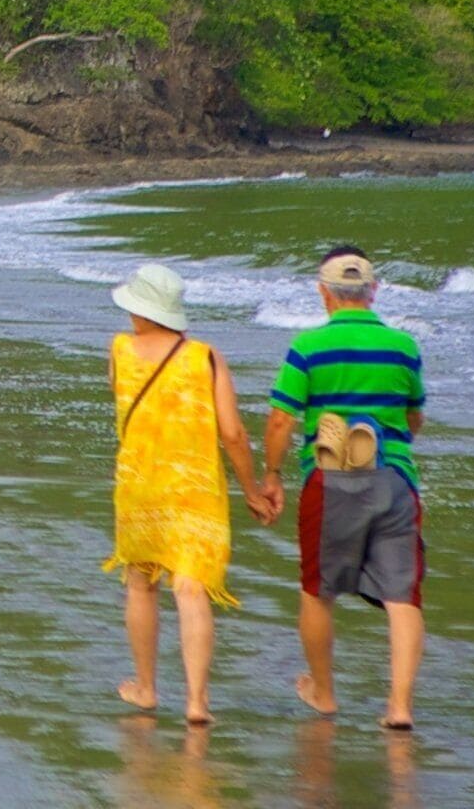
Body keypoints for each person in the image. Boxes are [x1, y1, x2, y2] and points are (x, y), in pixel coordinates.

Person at [262, 245, 427, 731]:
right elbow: (414, 416)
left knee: (319, 591)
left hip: (330, 479)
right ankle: (398, 708)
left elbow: (279, 419)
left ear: (324, 293)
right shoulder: (404, 346)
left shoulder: (309, 347)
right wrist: (397, 443)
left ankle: (325, 693)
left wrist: (271, 476)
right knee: (403, 597)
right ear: (372, 291)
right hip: (394, 476)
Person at [102, 262, 262, 723]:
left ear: (140, 310)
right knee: (191, 591)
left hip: (140, 485)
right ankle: (197, 702)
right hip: (195, 491)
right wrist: (252, 489)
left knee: (141, 583)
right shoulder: (206, 357)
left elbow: (122, 395)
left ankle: (147, 689)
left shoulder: (119, 350)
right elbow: (232, 433)